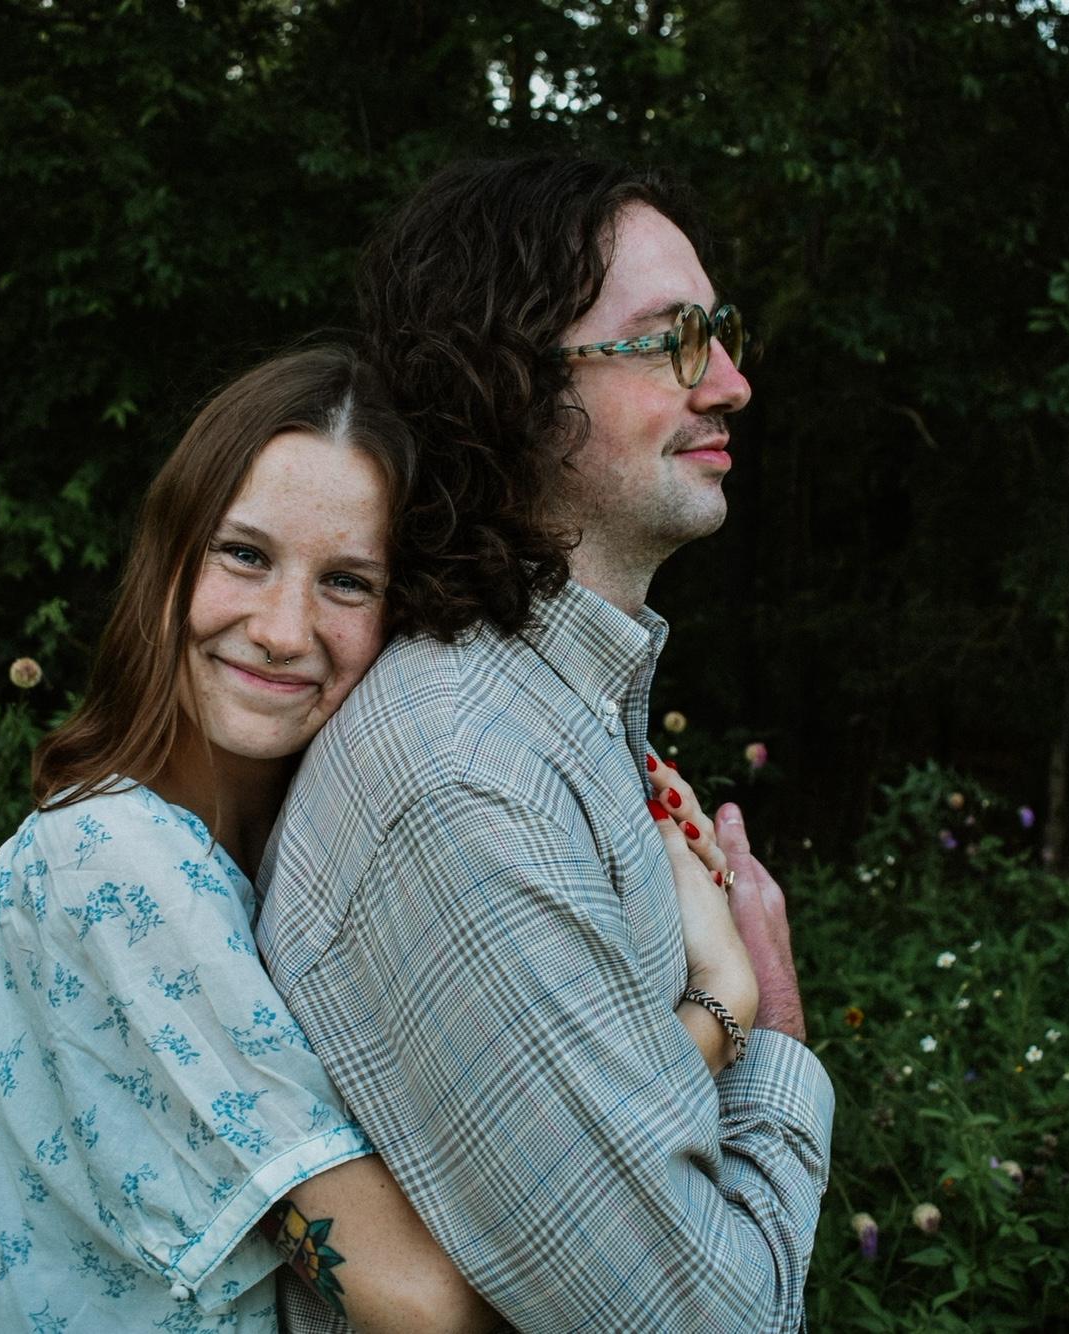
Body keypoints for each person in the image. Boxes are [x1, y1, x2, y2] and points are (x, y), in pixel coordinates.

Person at [257, 158, 835, 1333]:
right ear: (511, 385)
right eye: (671, 340)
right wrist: (768, 1017)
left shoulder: (539, 723)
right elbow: (703, 1322)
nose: (729, 382)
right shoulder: (468, 782)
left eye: (720, 332)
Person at [0, 346, 511, 1332]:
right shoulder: (110, 860)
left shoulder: (296, 859)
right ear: (169, 559)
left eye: (347, 581)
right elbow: (420, 1304)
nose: (283, 629)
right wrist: (719, 1009)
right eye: (244, 554)